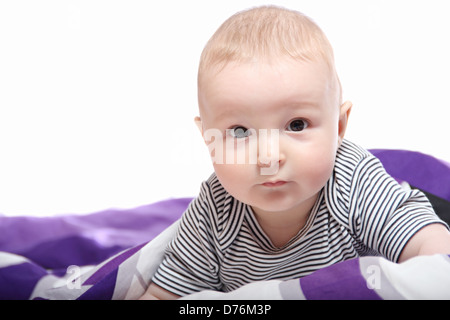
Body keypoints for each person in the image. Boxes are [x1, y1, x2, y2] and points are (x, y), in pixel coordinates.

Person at [140, 5, 450, 300]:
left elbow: (430, 245)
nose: (268, 157)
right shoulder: (214, 211)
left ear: (339, 127)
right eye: (239, 132)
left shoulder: (351, 181)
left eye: (297, 124)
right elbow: (164, 293)